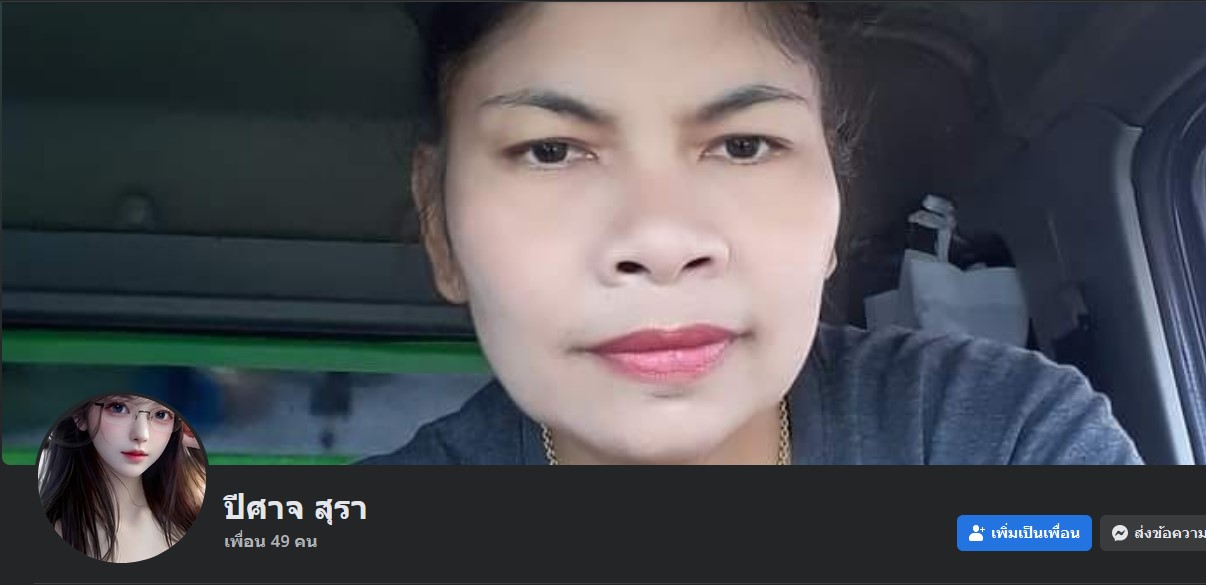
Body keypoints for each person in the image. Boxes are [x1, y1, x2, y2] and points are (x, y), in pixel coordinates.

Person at [359, 2, 1143, 465]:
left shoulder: (1001, 437)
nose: (663, 242)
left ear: (834, 200)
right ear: (438, 226)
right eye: (551, 151)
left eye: (742, 145)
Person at [40, 394, 206, 562]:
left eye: (161, 414)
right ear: (80, 414)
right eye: (118, 407)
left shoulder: (188, 522)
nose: (142, 434)